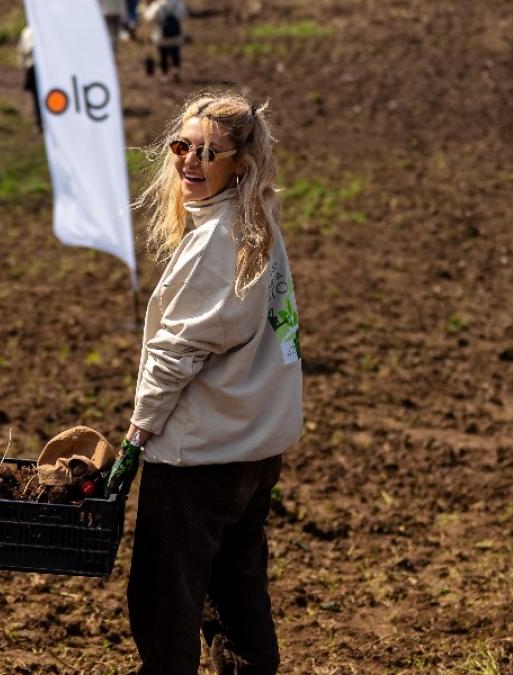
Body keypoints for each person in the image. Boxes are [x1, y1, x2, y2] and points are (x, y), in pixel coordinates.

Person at [121, 92, 303, 674]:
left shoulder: (217, 240)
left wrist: (136, 434)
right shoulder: (257, 224)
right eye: (182, 146)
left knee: (164, 602)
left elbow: (177, 351)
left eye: (209, 152)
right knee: (238, 591)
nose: (189, 163)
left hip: (197, 458)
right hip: (255, 447)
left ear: (240, 164)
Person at [142, 0, 188, 81]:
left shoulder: (158, 5)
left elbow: (149, 17)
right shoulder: (178, 3)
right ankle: (176, 69)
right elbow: (184, 14)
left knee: (163, 55)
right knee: (175, 53)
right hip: (175, 34)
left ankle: (165, 74)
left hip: (161, 35)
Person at [18, 25, 41, 132]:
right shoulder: (28, 32)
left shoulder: (28, 31)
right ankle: (39, 122)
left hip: (38, 67)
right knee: (36, 96)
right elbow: (23, 50)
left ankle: (39, 122)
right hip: (33, 67)